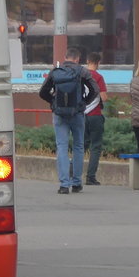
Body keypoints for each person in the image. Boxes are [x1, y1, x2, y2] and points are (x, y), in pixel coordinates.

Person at [38, 46, 99, 195]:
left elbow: (43, 92)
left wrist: (53, 102)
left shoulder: (56, 72)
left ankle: (64, 185)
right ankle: (76, 183)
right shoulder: (82, 71)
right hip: (77, 114)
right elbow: (95, 90)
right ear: (77, 59)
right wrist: (84, 103)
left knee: (62, 147)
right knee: (78, 146)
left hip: (59, 114)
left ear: (65, 57)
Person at [83, 51, 108, 185]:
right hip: (95, 115)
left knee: (80, 146)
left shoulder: (80, 75)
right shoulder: (98, 77)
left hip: (81, 115)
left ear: (87, 61)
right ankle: (90, 177)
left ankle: (72, 173)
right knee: (96, 146)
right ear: (98, 63)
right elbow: (104, 97)